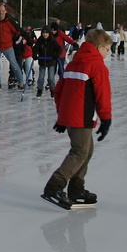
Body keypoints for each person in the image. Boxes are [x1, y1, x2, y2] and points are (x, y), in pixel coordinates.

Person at [41, 29, 113, 210]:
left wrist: (62, 116)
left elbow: (58, 91)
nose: (107, 53)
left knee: (86, 152)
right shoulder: (97, 66)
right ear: (99, 47)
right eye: (107, 49)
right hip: (82, 117)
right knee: (80, 152)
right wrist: (106, 120)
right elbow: (102, 96)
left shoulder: (73, 63)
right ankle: (54, 187)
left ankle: (76, 189)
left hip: (73, 116)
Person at [33, 26, 61, 99]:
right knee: (41, 77)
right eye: (43, 33)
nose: (45, 35)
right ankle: (39, 90)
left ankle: (52, 91)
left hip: (51, 61)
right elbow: (35, 49)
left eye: (46, 33)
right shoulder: (40, 41)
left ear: (49, 34)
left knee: (51, 78)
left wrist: (56, 55)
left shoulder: (52, 41)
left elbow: (59, 49)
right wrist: (35, 55)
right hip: (42, 61)